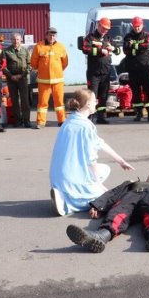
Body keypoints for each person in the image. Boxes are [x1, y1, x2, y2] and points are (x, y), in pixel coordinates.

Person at [49, 88, 134, 216]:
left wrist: (121, 161)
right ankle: (67, 204)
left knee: (105, 169)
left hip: (58, 177)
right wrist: (99, 185)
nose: (97, 102)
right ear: (88, 104)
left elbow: (100, 143)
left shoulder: (69, 121)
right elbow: (91, 159)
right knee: (105, 198)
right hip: (71, 177)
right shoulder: (86, 126)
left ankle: (64, 193)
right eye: (95, 100)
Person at [65, 170, 149, 253]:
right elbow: (114, 193)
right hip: (132, 196)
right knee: (118, 211)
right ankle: (101, 236)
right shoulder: (133, 183)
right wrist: (99, 206)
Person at [30, 27, 68, 128]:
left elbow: (65, 62)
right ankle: (41, 122)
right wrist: (42, 70)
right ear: (46, 35)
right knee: (42, 103)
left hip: (58, 80)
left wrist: (57, 70)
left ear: (56, 36)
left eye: (54, 35)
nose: (52, 37)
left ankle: (62, 121)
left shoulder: (61, 47)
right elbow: (33, 62)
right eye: (50, 35)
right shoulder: (39, 46)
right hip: (43, 80)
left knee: (59, 102)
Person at [81, 18, 117, 125]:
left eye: (107, 29)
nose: (104, 30)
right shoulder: (90, 37)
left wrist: (113, 48)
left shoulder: (108, 38)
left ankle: (101, 116)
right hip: (94, 73)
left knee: (103, 96)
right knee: (92, 95)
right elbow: (85, 49)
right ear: (98, 26)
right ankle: (90, 116)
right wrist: (101, 51)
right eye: (103, 28)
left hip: (105, 72)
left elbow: (118, 51)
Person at [122, 16, 149, 122]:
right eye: (135, 26)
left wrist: (134, 45)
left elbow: (146, 46)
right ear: (132, 26)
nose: (137, 28)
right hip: (133, 69)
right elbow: (125, 49)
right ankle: (139, 113)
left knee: (148, 90)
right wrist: (137, 46)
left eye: (138, 26)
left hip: (145, 68)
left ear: (142, 25)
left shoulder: (147, 35)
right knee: (136, 92)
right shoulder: (128, 36)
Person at [3, 32, 32, 128]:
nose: (16, 41)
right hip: (11, 79)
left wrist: (22, 75)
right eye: (14, 39)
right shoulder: (6, 51)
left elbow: (29, 64)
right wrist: (11, 76)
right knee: (14, 100)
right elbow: (3, 66)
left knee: (25, 100)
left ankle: (26, 120)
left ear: (21, 40)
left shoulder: (25, 51)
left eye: (17, 39)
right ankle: (18, 120)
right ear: (11, 40)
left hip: (22, 78)